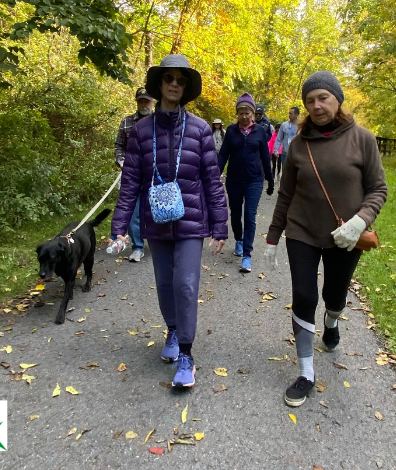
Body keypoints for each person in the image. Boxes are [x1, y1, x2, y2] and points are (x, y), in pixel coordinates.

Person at [264, 71, 387, 407]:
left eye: (323, 98)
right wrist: (273, 237)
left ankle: (332, 321)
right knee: (304, 296)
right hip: (302, 232)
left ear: (338, 100)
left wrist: (360, 221)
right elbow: (286, 195)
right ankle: (306, 372)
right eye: (310, 100)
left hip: (345, 238)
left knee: (334, 293)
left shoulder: (363, 139)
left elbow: (378, 189)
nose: (316, 106)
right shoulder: (297, 145)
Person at [111, 55, 228, 389]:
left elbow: (211, 181)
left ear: (186, 87)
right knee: (165, 283)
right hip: (156, 221)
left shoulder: (201, 129)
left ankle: (187, 355)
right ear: (159, 84)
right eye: (169, 79)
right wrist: (119, 225)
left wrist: (220, 225)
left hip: (192, 220)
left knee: (186, 284)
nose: (175, 84)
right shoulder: (140, 131)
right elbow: (131, 181)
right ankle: (173, 330)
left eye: (181, 80)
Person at [217, 93, 273, 273]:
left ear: (252, 113)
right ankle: (239, 240)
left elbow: (265, 156)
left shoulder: (260, 132)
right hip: (234, 180)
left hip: (254, 180)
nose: (244, 116)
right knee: (235, 214)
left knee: (249, 215)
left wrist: (270, 180)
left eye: (247, 112)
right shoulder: (231, 131)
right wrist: (215, 175)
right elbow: (223, 154)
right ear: (237, 114)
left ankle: (247, 255)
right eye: (240, 113)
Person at [113, 87, 155, 262]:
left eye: (147, 100)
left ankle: (156, 243)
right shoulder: (126, 122)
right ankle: (137, 246)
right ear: (137, 102)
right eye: (141, 101)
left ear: (153, 102)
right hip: (132, 176)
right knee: (132, 213)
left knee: (156, 212)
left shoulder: (159, 121)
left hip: (155, 176)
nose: (144, 104)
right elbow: (118, 147)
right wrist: (122, 163)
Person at [273, 106, 300, 181]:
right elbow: (279, 139)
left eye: (291, 113)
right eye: (289, 113)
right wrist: (276, 150)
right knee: (286, 173)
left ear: (296, 114)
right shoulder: (284, 125)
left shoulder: (301, 126)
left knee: (297, 174)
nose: (289, 115)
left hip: (298, 154)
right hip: (285, 153)